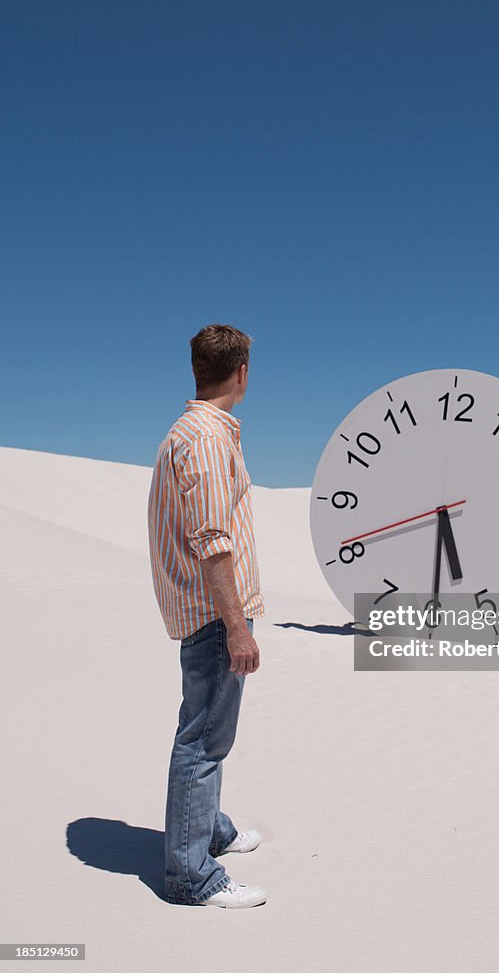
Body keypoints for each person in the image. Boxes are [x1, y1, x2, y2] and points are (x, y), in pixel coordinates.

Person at [147, 323, 268, 908]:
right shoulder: (207, 439)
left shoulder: (188, 432)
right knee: (202, 741)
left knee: (205, 731)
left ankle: (209, 832)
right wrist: (237, 624)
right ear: (241, 373)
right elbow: (213, 541)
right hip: (213, 614)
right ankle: (191, 876)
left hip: (201, 609)